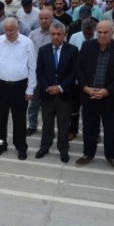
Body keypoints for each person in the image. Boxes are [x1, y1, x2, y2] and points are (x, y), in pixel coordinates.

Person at [74, 20, 114, 171]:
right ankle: (88, 154)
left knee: (111, 129)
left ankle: (111, 155)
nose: (102, 35)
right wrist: (85, 87)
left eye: (106, 32)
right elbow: (78, 68)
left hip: (110, 98)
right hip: (90, 95)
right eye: (99, 32)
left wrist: (107, 91)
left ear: (112, 33)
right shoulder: (87, 46)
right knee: (89, 128)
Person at [0, 17, 37, 160]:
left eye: (12, 30)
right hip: (1, 85)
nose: (9, 33)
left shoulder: (27, 42)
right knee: (0, 117)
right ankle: (0, 144)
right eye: (6, 30)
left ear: (18, 28)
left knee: (19, 118)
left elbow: (32, 66)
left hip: (20, 85)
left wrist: (30, 89)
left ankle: (21, 146)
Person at [34, 21, 78, 163]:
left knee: (63, 124)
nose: (56, 37)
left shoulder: (72, 50)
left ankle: (63, 148)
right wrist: (47, 87)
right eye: (53, 34)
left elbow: (73, 72)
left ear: (65, 35)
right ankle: (45, 146)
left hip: (64, 94)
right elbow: (39, 71)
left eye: (59, 34)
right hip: (47, 94)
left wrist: (60, 87)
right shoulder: (43, 50)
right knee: (47, 123)